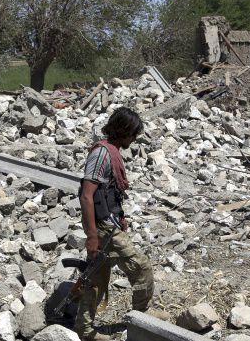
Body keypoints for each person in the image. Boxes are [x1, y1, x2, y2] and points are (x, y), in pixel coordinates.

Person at [75, 107, 166, 341]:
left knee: (97, 278)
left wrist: (120, 216)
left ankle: (85, 330)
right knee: (142, 267)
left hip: (110, 223)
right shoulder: (102, 154)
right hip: (103, 228)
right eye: (133, 134)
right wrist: (91, 236)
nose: (134, 139)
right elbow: (87, 195)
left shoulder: (112, 152)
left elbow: (109, 192)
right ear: (122, 131)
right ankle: (141, 318)